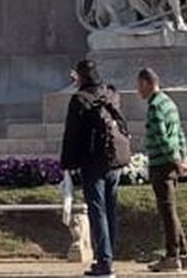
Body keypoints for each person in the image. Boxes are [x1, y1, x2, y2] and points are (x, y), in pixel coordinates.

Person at [60, 59, 129, 278]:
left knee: (97, 211)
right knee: (110, 209)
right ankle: (109, 257)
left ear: (81, 77)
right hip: (114, 160)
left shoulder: (79, 99)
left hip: (92, 162)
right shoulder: (111, 94)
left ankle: (104, 263)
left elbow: (71, 135)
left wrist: (67, 164)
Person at [137, 68, 187, 273]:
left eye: (138, 85)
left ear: (146, 83)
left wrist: (176, 160)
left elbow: (162, 138)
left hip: (161, 164)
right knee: (170, 210)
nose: (138, 91)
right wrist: (182, 157)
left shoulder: (154, 106)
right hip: (171, 163)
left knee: (167, 211)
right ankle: (184, 254)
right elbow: (179, 133)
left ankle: (172, 256)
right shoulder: (169, 103)